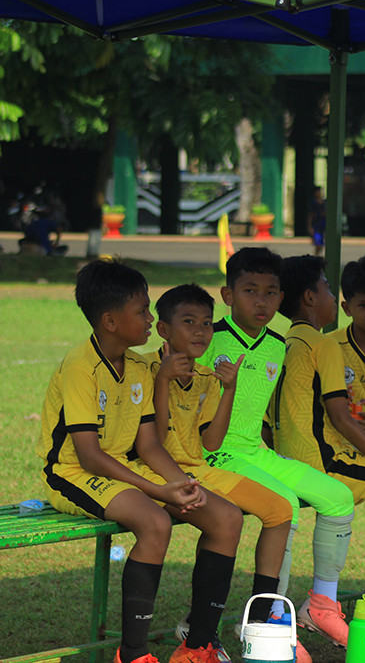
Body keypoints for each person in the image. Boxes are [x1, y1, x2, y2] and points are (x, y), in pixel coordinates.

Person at [36, 258, 243, 663]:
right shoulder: (81, 366)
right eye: (143, 311)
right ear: (111, 321)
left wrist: (182, 482)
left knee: (226, 518)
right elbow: (89, 456)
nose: (151, 320)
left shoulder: (137, 366)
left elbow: (149, 445)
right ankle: (133, 655)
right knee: (155, 521)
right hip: (73, 472)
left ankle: (197, 646)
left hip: (125, 468)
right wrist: (157, 490)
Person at [195, 247, 356, 651]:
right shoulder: (209, 341)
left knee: (338, 497)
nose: (261, 301)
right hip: (214, 453)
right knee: (282, 502)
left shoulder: (276, 346)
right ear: (228, 295)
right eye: (250, 291)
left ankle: (321, 604)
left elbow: (265, 411)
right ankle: (267, 621)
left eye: (270, 292)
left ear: (281, 298)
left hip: (254, 450)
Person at [145, 284, 295, 662]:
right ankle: (200, 635)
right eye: (189, 322)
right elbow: (154, 441)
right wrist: (162, 379)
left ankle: (260, 620)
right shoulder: (146, 368)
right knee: (226, 519)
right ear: (164, 330)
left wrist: (228, 388)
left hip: (198, 466)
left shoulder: (207, 375)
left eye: (207, 324)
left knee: (280, 511)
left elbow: (211, 442)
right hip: (153, 470)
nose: (200, 332)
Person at [272, 254, 365, 637]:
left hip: (354, 445)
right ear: (342, 306)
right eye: (363, 304)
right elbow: (337, 417)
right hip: (330, 453)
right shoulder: (327, 345)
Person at [308, 186, 326, 256]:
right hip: (317, 225)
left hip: (324, 224)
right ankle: (316, 256)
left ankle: (317, 256)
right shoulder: (314, 203)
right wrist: (309, 226)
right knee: (318, 243)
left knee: (322, 243)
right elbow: (311, 215)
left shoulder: (325, 202)